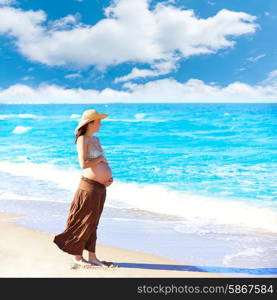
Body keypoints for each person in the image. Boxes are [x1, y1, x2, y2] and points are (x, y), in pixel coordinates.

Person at [53, 109, 114, 268]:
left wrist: (108, 177)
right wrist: (100, 159)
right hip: (89, 186)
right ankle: (78, 257)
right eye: (99, 121)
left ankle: (92, 257)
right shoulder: (82, 139)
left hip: (101, 187)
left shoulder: (96, 139)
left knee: (94, 222)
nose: (101, 123)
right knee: (84, 221)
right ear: (91, 122)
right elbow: (84, 164)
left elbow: (104, 161)